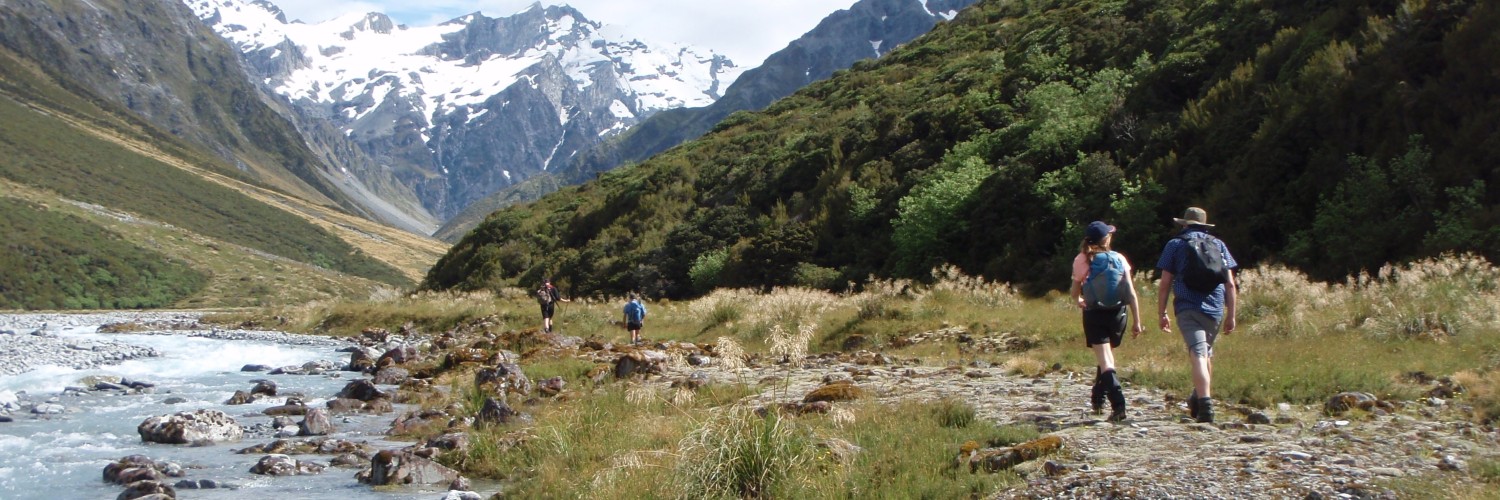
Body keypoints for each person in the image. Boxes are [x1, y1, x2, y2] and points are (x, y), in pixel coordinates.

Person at [1156, 207, 1238, 424]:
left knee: (1198, 354)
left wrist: (1162, 312)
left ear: (1184, 224)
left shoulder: (1174, 245)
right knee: (1206, 353)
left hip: (1188, 306)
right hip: (1215, 307)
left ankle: (1206, 406)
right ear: (1204, 225)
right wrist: (1232, 315)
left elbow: (1165, 283)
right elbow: (1230, 284)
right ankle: (1198, 396)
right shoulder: (1219, 245)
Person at [1070, 220, 1144, 422]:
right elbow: (1130, 292)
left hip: (1094, 313)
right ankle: (1098, 398)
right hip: (1118, 314)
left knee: (1106, 361)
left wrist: (1079, 301)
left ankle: (1119, 405)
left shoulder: (1082, 259)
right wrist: (1137, 320)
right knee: (1105, 357)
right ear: (1106, 238)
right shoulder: (1119, 258)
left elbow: (1075, 291)